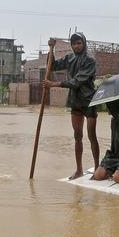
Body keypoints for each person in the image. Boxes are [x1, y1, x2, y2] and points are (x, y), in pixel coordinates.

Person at [43, 33, 100, 179]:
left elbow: (76, 82)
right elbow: (53, 66)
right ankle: (79, 170)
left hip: (88, 100)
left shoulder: (90, 60)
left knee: (92, 136)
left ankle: (97, 168)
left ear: (84, 43)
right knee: (77, 136)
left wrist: (54, 84)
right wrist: (51, 49)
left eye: (79, 43)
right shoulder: (69, 58)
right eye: (74, 43)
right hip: (75, 101)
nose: (76, 46)